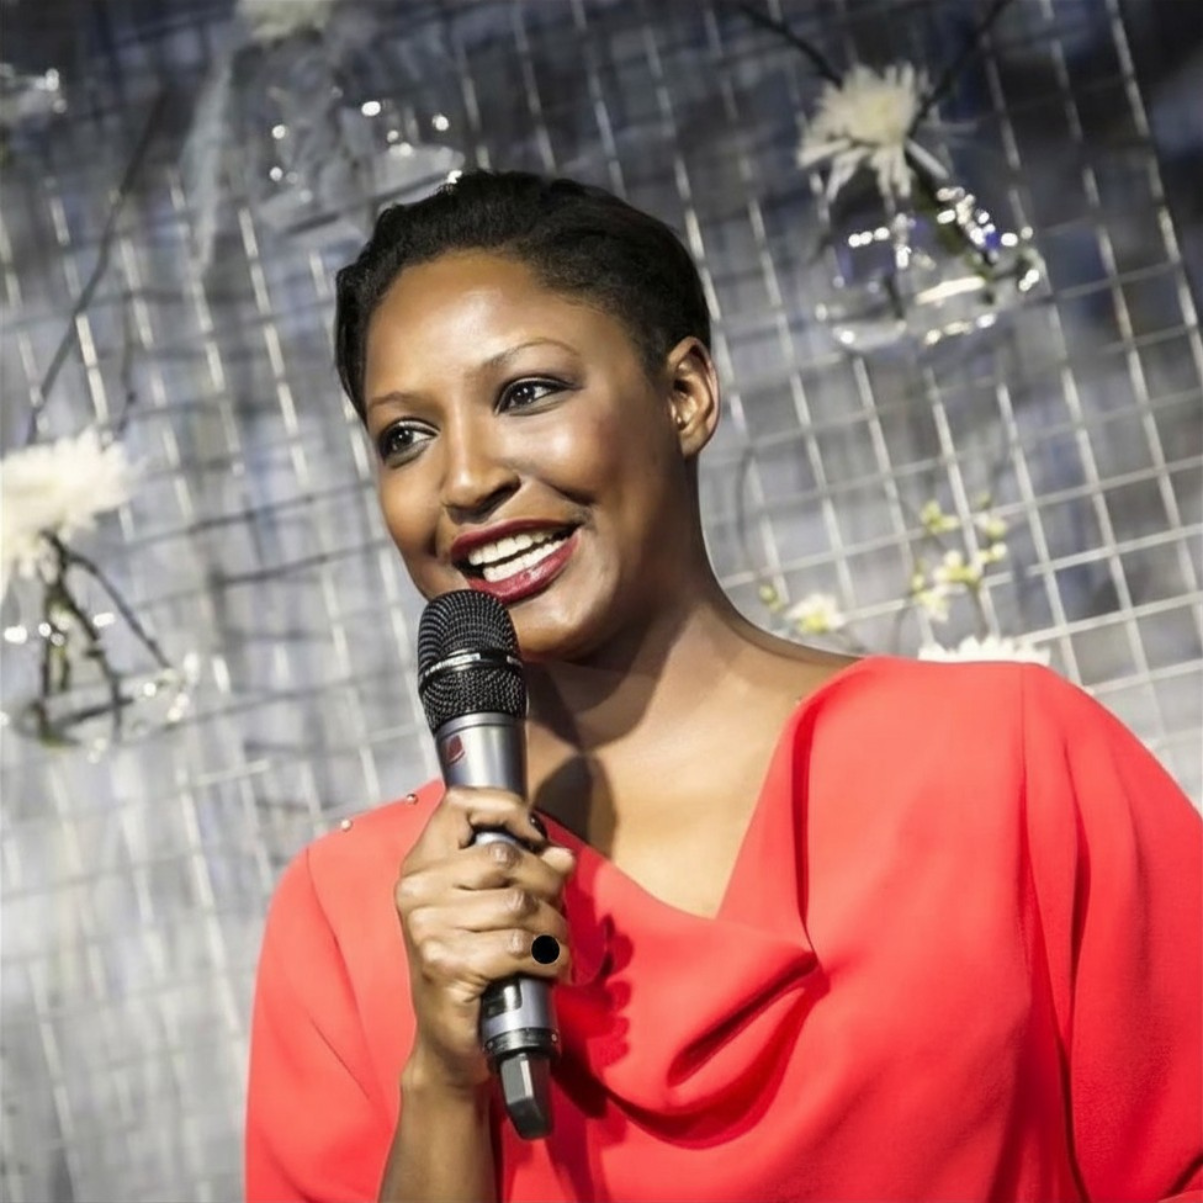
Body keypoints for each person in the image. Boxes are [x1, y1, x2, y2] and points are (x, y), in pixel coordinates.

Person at [244, 170, 1202, 1203]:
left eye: (526, 393)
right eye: (405, 437)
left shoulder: (1004, 760)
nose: (467, 479)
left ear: (685, 395)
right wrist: (440, 1080)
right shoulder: (348, 917)